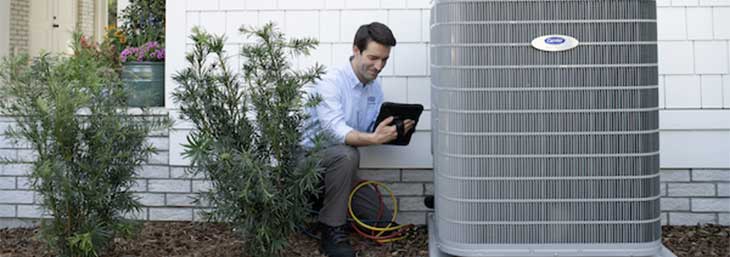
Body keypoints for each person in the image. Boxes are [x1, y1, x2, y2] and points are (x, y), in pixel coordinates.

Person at [301, 22, 415, 257]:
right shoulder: (330, 81)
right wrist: (374, 138)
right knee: (346, 153)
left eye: (384, 59)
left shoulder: (374, 88)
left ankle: (322, 203)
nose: (379, 66)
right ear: (356, 50)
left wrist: (393, 130)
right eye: (373, 57)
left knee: (379, 218)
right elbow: (337, 132)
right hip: (306, 162)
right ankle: (331, 231)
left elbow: (368, 130)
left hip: (339, 169)